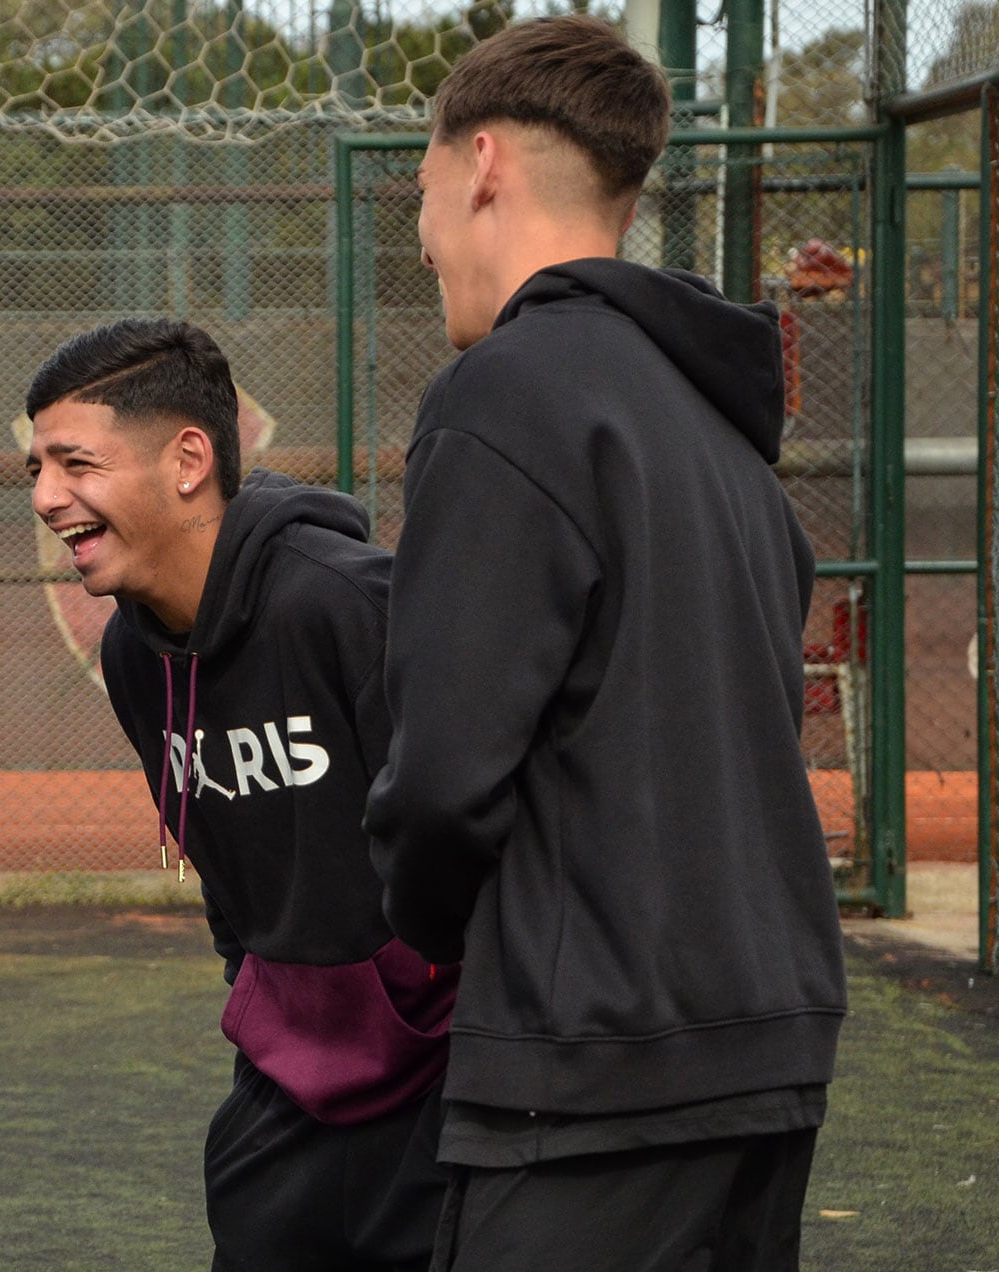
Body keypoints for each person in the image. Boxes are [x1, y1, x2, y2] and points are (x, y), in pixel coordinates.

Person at [363, 16, 848, 1269]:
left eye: (418, 194)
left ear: (479, 167)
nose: (421, 239)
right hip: (766, 1046)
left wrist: (430, 931)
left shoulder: (505, 393)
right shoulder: (723, 430)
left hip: (591, 1073)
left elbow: (442, 777)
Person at [25, 319, 454, 1271]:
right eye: (37, 470)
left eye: (75, 464)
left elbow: (472, 843)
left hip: (441, 1089)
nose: (49, 497)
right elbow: (228, 877)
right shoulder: (136, 649)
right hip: (286, 1088)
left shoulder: (350, 606)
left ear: (188, 459)